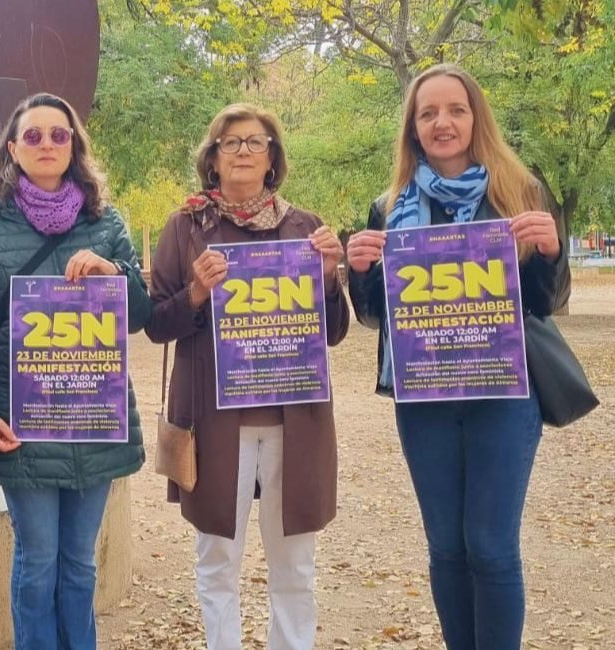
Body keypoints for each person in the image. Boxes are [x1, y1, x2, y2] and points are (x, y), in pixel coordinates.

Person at [346, 64, 570, 649]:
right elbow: (375, 315)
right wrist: (360, 270)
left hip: (504, 394)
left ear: (476, 118)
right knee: (446, 546)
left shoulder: (520, 192)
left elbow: (547, 303)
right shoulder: (389, 204)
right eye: (428, 113)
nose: (443, 122)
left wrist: (548, 252)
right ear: (413, 128)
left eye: (455, 110)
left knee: (491, 546)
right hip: (425, 400)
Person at [0, 92, 151, 650]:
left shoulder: (106, 222)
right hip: (23, 420)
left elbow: (141, 313)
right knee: (37, 562)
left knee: (80, 565)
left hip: (93, 416)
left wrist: (113, 273)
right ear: (12, 149)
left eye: (58, 135)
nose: (46, 144)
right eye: (32, 136)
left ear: (74, 146)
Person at [145, 103, 348, 650]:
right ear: (212, 159)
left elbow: (332, 333)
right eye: (229, 143)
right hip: (214, 422)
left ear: (272, 157)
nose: (241, 152)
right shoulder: (185, 227)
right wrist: (193, 294)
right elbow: (155, 324)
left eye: (254, 142)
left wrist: (331, 280)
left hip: (293, 421)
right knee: (217, 559)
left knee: (295, 565)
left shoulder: (305, 227)